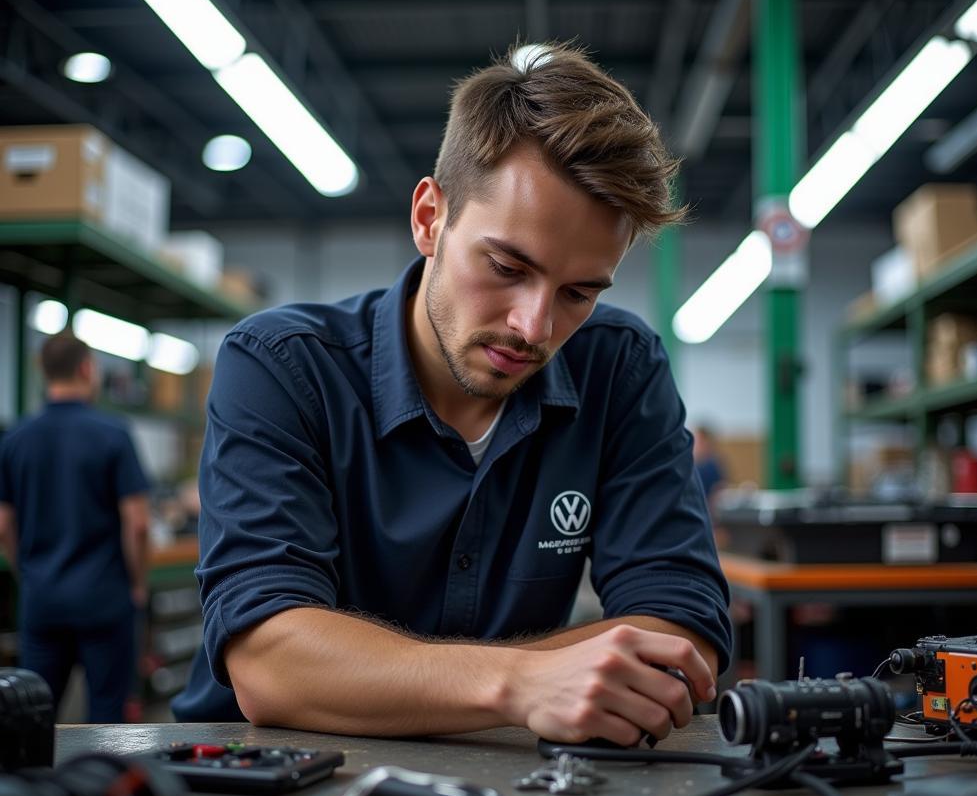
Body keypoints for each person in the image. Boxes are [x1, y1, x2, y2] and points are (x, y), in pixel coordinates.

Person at [173, 42, 731, 746]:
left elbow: (683, 634)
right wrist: (522, 684)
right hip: (267, 788)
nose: (535, 326)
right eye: (506, 266)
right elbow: (270, 662)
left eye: (579, 292)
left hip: (509, 780)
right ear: (430, 218)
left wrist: (388, 677)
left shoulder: (618, 368)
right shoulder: (281, 367)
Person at [0, 333, 150, 722]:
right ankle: (99, 782)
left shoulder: (15, 439)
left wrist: (28, 573)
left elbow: (3, 525)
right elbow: (138, 524)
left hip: (42, 599)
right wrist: (137, 582)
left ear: (42, 371)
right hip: (104, 598)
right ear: (86, 368)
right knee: (106, 716)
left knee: (32, 717)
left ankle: (29, 785)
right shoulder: (113, 434)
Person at [692, 425, 728, 508]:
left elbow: (720, 489)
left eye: (698, 442)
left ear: (706, 442)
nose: (695, 446)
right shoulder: (694, 466)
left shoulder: (713, 466)